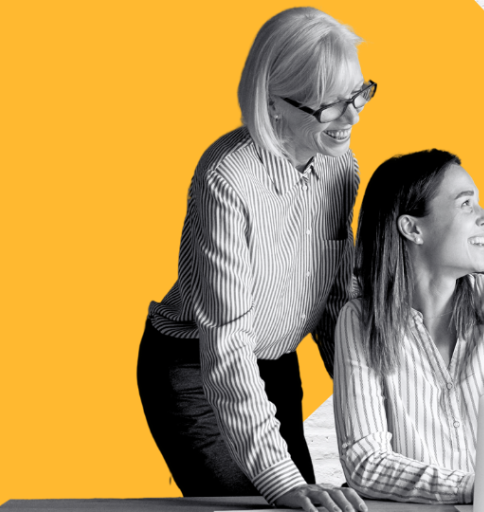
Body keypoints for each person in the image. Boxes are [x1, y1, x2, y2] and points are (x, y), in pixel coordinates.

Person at [136, 8, 375, 511]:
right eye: (329, 106)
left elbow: (333, 300)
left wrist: (368, 402)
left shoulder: (341, 167)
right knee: (266, 501)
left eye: (358, 94)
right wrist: (279, 479)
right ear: (273, 105)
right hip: (197, 367)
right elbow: (226, 344)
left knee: (315, 505)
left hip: (275, 361)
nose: (353, 116)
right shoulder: (226, 178)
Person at [333, 150, 484, 504]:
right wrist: (478, 489)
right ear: (413, 228)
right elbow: (365, 463)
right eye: (466, 204)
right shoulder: (360, 320)